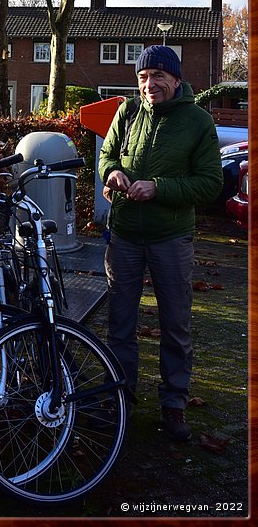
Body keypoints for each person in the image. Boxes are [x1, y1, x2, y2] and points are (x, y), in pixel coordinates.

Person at [98, 45, 223, 442]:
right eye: (143, 77)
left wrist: (159, 188)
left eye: (158, 76)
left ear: (176, 80)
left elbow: (211, 183)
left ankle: (173, 405)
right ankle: (120, 401)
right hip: (125, 236)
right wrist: (113, 173)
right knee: (119, 325)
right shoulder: (128, 111)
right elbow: (104, 156)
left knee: (175, 324)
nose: (149, 84)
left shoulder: (198, 122)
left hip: (171, 238)